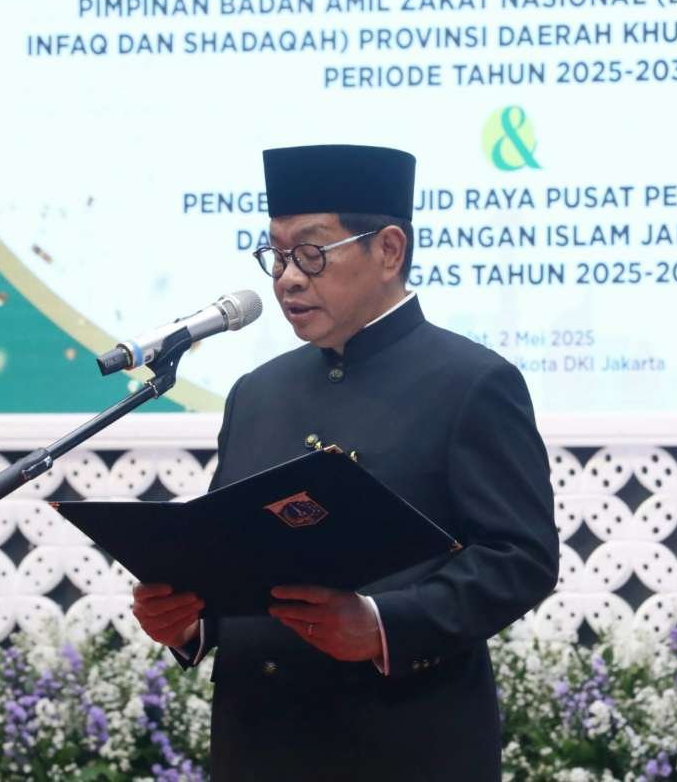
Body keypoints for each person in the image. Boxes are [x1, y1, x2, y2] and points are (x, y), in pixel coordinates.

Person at [131, 144, 558, 780]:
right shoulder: (256, 393)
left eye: (311, 252)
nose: (287, 278)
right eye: (277, 255)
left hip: (403, 747)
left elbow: (520, 559)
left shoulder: (471, 382)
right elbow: (233, 558)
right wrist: (188, 621)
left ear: (389, 250)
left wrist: (383, 625)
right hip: (259, 747)